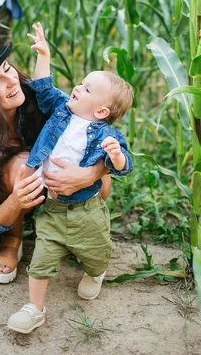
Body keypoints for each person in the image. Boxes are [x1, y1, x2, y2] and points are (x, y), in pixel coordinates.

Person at [0, 40, 114, 283]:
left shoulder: (42, 96)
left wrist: (88, 175)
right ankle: (12, 238)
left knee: (103, 183)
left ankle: (70, 229)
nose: (12, 81)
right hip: (18, 193)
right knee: (23, 167)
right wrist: (15, 202)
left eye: (6, 68)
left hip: (60, 186)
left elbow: (100, 136)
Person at [7, 23, 134, 334]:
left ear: (102, 111)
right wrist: (44, 56)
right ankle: (35, 308)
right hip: (51, 210)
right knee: (41, 262)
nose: (78, 87)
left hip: (86, 213)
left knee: (95, 254)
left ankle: (96, 272)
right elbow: (43, 89)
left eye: (87, 89)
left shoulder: (107, 135)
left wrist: (115, 155)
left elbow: (124, 165)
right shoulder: (62, 110)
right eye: (80, 82)